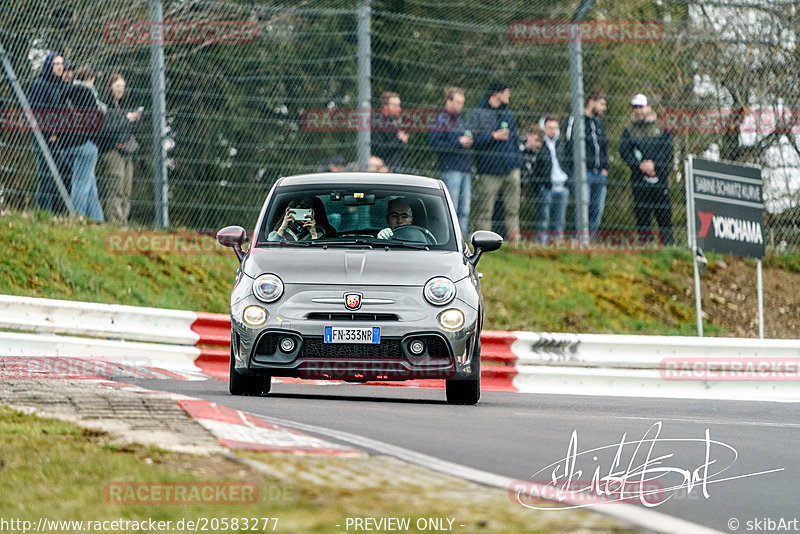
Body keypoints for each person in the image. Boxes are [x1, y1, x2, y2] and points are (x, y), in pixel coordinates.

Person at [465, 79, 523, 241]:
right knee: (485, 211)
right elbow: (472, 140)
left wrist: (517, 164)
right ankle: (484, 244)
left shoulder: (508, 113)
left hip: (511, 169)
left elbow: (515, 140)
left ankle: (515, 243)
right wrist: (493, 136)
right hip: (489, 171)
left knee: (513, 209)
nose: (509, 96)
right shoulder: (478, 113)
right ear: (497, 93)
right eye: (506, 92)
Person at [619, 94, 674, 245]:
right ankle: (646, 246)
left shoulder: (661, 126)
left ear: (649, 107)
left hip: (659, 178)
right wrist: (639, 165)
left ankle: (669, 246)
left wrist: (654, 164)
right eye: (636, 107)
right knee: (642, 215)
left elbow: (667, 148)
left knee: (664, 214)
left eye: (641, 107)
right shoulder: (629, 130)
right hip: (639, 180)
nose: (638, 110)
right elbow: (624, 151)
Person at [59, 66, 104, 221]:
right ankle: (78, 218)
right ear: (90, 80)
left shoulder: (65, 91)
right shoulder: (88, 92)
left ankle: (97, 220)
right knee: (81, 184)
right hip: (85, 144)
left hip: (65, 145)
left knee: (90, 184)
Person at [96, 74, 141, 226]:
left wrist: (134, 120)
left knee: (126, 191)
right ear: (110, 86)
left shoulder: (123, 106)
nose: (120, 89)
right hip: (112, 150)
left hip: (127, 152)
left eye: (122, 86)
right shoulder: (104, 105)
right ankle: (115, 223)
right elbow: (106, 128)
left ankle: (123, 222)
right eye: (117, 86)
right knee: (115, 189)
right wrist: (126, 119)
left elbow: (131, 129)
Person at [429, 86, 472, 239]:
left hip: (464, 169)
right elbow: (433, 144)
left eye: (462, 102)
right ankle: (449, 239)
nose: (461, 105)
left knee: (464, 209)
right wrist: (457, 142)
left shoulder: (460, 120)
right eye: (458, 102)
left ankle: (463, 241)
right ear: (449, 100)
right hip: (450, 169)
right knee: (451, 208)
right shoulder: (441, 120)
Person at [565, 91, 608, 236]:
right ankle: (575, 240)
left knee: (596, 210)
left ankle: (589, 242)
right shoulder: (576, 119)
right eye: (601, 104)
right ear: (592, 101)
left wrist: (604, 168)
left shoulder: (598, 124)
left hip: (599, 174)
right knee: (582, 208)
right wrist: (575, 168)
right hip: (583, 173)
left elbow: (604, 147)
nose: (604, 108)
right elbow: (568, 144)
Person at [29, 52, 67, 213]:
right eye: (56, 64)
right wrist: (50, 130)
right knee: (46, 175)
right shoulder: (41, 84)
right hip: (43, 137)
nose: (60, 67)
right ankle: (43, 212)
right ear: (49, 66)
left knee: (56, 175)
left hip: (56, 138)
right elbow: (35, 111)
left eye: (61, 63)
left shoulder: (57, 86)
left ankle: (53, 213)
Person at [536, 114, 570, 243]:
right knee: (544, 220)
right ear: (544, 128)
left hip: (562, 187)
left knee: (560, 221)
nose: (553, 131)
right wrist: (541, 184)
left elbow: (568, 164)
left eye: (555, 127)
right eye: (550, 127)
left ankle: (558, 244)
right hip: (546, 188)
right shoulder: (540, 146)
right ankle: (542, 244)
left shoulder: (561, 146)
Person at [372, 91, 410, 174]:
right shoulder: (377, 123)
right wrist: (399, 140)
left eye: (399, 105)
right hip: (383, 170)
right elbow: (378, 150)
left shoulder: (395, 123)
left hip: (400, 170)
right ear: (385, 107)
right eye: (395, 106)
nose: (399, 109)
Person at [520, 126, 548, 233]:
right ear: (528, 136)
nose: (538, 145)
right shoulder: (519, 146)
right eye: (536, 140)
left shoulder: (536, 152)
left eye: (541, 142)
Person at [269, 197, 334, 241]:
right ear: (292, 209)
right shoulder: (276, 234)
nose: (304, 211)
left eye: (308, 208)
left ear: (314, 212)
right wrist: (282, 229)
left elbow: (320, 255)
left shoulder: (320, 234)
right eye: (302, 206)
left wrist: (314, 234)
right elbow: (269, 252)